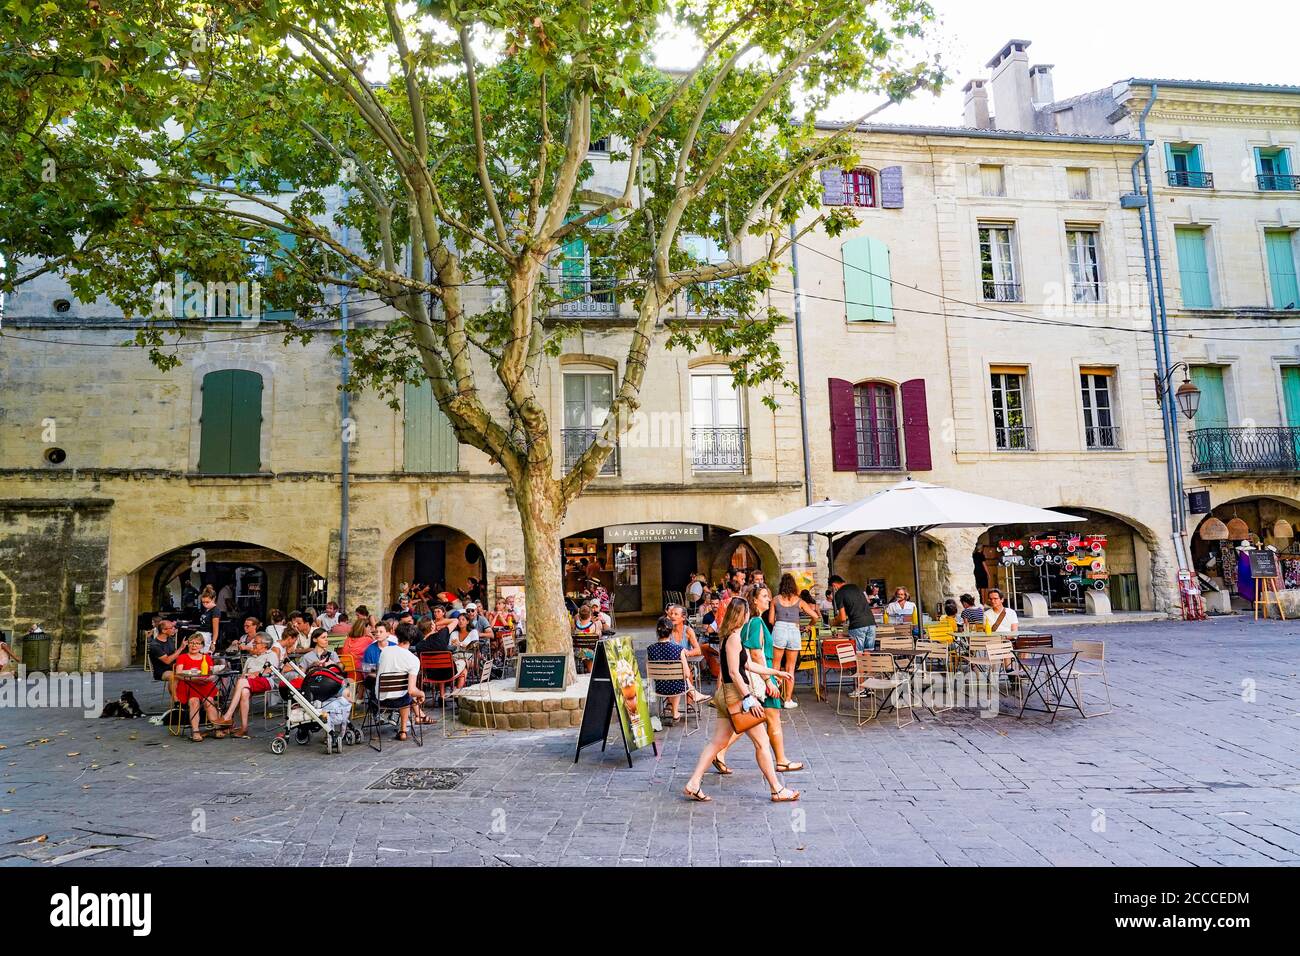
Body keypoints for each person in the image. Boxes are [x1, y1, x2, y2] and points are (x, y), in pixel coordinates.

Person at [681, 597, 798, 804]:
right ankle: (777, 789)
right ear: (741, 615)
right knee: (762, 743)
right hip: (737, 695)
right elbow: (736, 673)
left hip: (727, 695)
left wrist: (774, 673)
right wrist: (748, 698)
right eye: (747, 612)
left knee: (718, 742)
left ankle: (694, 782)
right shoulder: (734, 638)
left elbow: (749, 665)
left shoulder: (730, 636)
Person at [717, 585, 803, 772]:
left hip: (760, 675)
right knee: (766, 719)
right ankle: (780, 761)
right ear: (754, 601)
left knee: (751, 720)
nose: (768, 599)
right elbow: (755, 654)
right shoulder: (756, 622)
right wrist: (768, 680)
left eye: (768, 595)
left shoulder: (752, 622)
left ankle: (720, 752)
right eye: (764, 596)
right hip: (760, 677)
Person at [646, 615, 710, 723]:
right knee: (679, 679)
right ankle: (684, 705)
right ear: (670, 632)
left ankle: (676, 710)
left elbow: (648, 672)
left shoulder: (650, 649)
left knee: (675, 679)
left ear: (657, 632)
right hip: (676, 688)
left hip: (658, 688)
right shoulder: (678, 649)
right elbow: (686, 674)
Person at [769, 573, 819, 709]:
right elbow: (815, 616)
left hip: (779, 629)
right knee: (790, 668)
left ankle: (775, 699)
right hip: (794, 631)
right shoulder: (799, 601)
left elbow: (770, 620)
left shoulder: (775, 600)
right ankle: (788, 700)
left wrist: (779, 625)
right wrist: (809, 626)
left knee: (775, 666)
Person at [173, 633, 231, 741]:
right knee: (194, 702)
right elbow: (178, 673)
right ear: (188, 644)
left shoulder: (206, 657)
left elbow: (212, 673)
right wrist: (192, 679)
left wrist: (211, 678)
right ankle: (195, 731)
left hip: (204, 684)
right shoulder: (182, 657)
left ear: (202, 646)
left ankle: (217, 728)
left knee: (209, 701)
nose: (194, 646)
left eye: (197, 643)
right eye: (191, 643)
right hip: (188, 685)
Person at [220, 632, 279, 737]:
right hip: (249, 682)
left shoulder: (271, 654)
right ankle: (244, 728)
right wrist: (245, 676)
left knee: (242, 682)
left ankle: (228, 716)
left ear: (265, 645)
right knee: (244, 691)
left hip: (265, 681)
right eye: (254, 642)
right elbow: (243, 674)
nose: (254, 644)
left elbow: (269, 671)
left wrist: (253, 674)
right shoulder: (251, 658)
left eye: (256, 642)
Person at [375, 626, 426, 741]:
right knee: (407, 694)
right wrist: (422, 693)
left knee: (404, 693)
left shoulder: (385, 651)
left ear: (397, 636)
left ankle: (401, 726)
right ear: (412, 640)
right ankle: (403, 730)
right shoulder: (413, 660)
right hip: (400, 700)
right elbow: (412, 690)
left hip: (380, 699)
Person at [830, 575, 875, 652]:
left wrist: (833, 622)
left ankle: (859, 664)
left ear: (834, 585)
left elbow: (843, 618)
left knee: (858, 654)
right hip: (871, 623)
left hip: (857, 625)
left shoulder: (839, 594)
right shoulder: (855, 587)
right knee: (868, 652)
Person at [147, 618, 182, 704]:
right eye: (171, 628)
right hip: (162, 671)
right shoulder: (155, 645)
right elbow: (167, 660)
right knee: (173, 676)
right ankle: (176, 701)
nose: (174, 629)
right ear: (164, 630)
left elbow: (174, 656)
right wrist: (181, 648)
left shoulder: (169, 639)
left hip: (173, 667)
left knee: (191, 673)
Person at [195, 585, 221, 653]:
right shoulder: (206, 609)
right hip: (200, 635)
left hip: (207, 636)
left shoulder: (215, 610)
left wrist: (213, 642)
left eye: (207, 602)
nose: (205, 604)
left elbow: (216, 629)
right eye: (203, 602)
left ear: (213, 599)